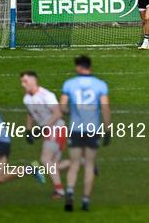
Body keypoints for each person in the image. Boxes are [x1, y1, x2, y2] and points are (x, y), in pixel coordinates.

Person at [60, 55, 111, 211]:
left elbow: (62, 107)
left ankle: (69, 191)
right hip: (92, 130)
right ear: (90, 66)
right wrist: (108, 130)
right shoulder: (100, 85)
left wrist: (70, 112)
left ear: (78, 67)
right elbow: (105, 108)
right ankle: (85, 201)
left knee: (74, 163)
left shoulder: (69, 84)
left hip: (75, 129)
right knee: (89, 165)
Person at [21, 71, 71, 199]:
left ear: (34, 81)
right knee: (54, 166)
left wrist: (42, 128)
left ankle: (59, 191)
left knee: (45, 160)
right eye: (22, 81)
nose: (23, 84)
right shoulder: (26, 98)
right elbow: (30, 113)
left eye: (25, 81)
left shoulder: (46, 95)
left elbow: (58, 113)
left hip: (57, 129)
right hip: (48, 131)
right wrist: (28, 130)